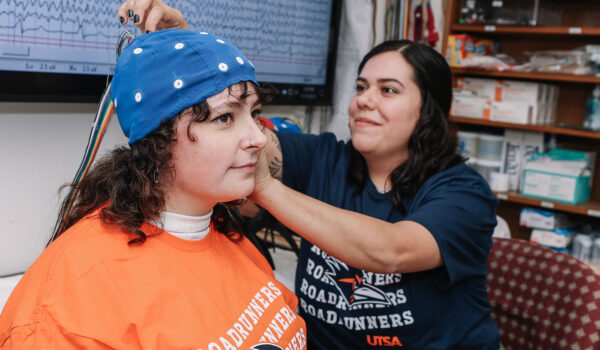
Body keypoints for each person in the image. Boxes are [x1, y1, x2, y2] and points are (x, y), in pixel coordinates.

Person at [118, 3, 501, 349]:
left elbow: (391, 251)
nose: (365, 100)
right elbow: (242, 138)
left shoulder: (464, 193)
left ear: (429, 111)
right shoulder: (326, 157)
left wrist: (265, 187)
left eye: (388, 90)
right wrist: (187, 59)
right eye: (362, 87)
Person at [0, 29, 307, 349]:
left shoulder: (223, 231)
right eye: (225, 117)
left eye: (254, 113)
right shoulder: (67, 308)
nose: (258, 138)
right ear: (159, 142)